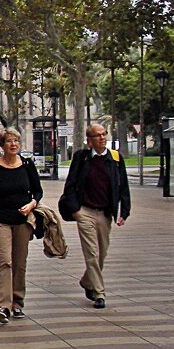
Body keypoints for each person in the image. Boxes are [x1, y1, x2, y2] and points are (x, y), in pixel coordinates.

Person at [59, 123, 131, 309]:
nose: (102, 138)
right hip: (86, 212)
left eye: (104, 134)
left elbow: (123, 187)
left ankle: (87, 281)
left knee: (102, 253)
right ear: (89, 140)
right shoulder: (81, 158)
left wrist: (124, 211)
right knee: (91, 253)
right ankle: (99, 293)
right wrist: (76, 210)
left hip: (105, 213)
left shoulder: (115, 158)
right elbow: (71, 185)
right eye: (97, 135)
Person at [0, 128, 42, 324]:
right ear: (2, 145)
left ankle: (17, 303)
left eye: (16, 141)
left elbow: (38, 192)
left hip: (23, 221)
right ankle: (2, 306)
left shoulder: (27, 165)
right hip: (0, 220)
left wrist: (32, 204)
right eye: (9, 141)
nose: (13, 144)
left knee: (19, 263)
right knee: (5, 260)